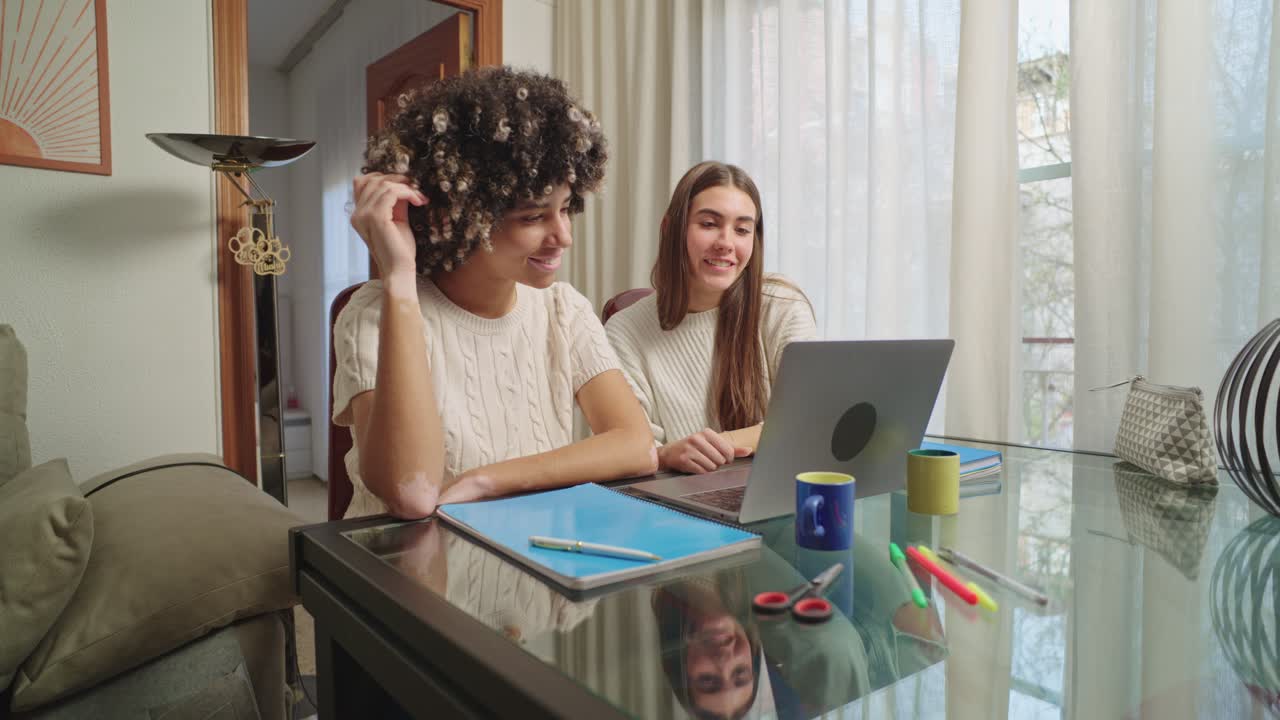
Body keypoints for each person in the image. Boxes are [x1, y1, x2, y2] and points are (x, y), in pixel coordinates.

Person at [334, 67, 656, 519]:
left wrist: (488, 480)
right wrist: (399, 275)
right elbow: (413, 493)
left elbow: (636, 446)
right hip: (409, 572)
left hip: (532, 560)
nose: (562, 235)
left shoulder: (564, 309)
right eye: (532, 217)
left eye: (565, 208)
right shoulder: (372, 314)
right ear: (460, 216)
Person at [605, 161, 817, 474]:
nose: (726, 243)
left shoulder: (782, 306)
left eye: (742, 230)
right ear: (671, 229)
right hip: (673, 499)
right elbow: (630, 449)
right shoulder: (624, 331)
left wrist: (724, 443)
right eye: (708, 224)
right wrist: (665, 455)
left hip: (781, 489)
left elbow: (810, 417)